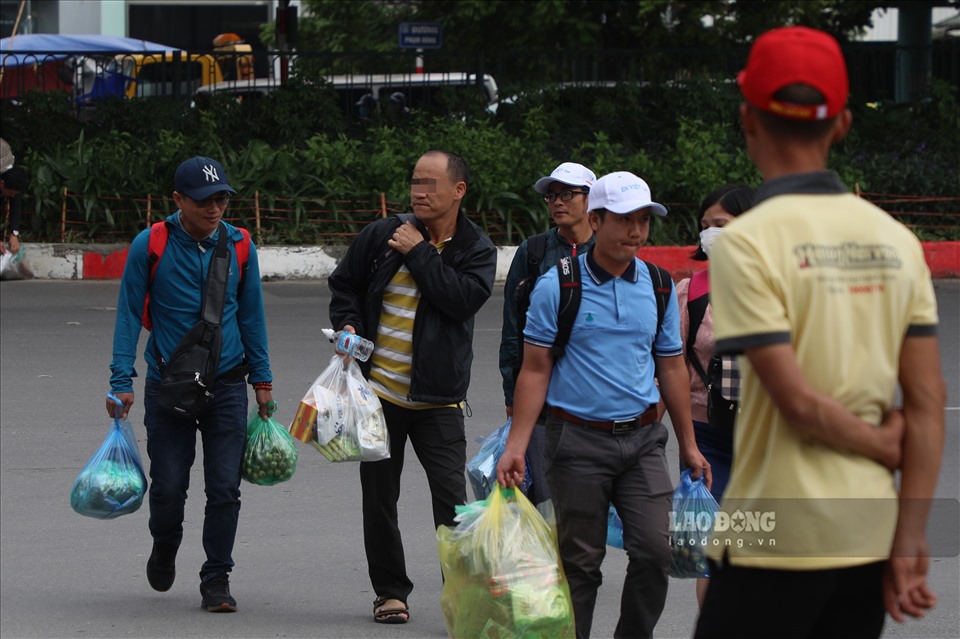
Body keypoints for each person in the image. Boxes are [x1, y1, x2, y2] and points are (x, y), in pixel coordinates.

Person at [694, 26, 945, 639]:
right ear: (842, 125)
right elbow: (928, 401)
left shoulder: (745, 243)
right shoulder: (897, 241)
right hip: (867, 533)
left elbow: (796, 402)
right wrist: (909, 535)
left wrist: (883, 445)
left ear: (748, 118)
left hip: (772, 537)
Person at [497, 170, 711, 639]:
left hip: (643, 442)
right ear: (596, 219)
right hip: (576, 443)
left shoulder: (656, 286)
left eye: (643, 220)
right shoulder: (558, 285)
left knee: (655, 553)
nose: (636, 231)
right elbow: (535, 369)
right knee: (581, 565)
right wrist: (517, 444)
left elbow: (672, 367)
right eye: (624, 220)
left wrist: (690, 445)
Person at [327, 149, 497, 625]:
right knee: (379, 501)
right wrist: (348, 325)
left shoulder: (476, 250)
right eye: (415, 183)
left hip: (439, 400)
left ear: (458, 191)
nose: (419, 192)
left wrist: (418, 252)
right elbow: (344, 285)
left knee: (452, 504)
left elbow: (460, 301)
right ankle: (390, 593)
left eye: (431, 184)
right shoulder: (382, 235)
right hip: (377, 396)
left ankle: (461, 600)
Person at [107, 155, 275, 613]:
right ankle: (165, 545)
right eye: (203, 200)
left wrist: (262, 378)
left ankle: (216, 578)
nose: (215, 208)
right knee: (167, 488)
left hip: (226, 384)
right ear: (178, 200)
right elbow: (127, 316)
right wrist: (121, 380)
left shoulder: (240, 245)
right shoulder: (152, 244)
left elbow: (252, 314)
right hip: (170, 385)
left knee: (224, 488)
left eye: (221, 197)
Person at [498, 161, 597, 505]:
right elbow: (513, 327)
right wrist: (512, 395)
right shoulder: (534, 251)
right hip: (540, 397)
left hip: (594, 400)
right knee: (544, 497)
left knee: (587, 503)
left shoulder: (607, 251)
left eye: (567, 194)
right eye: (552, 196)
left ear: (590, 200)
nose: (557, 202)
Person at [675, 183, 753, 607]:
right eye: (705, 226)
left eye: (720, 224)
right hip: (707, 440)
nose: (710, 234)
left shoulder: (783, 286)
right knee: (712, 551)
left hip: (767, 441)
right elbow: (672, 367)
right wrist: (685, 442)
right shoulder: (691, 292)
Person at [0, 138, 28, 256]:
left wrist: (14, 233)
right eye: (10, 193)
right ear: (1, 183)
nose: (11, 196)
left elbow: (16, 199)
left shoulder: (11, 177)